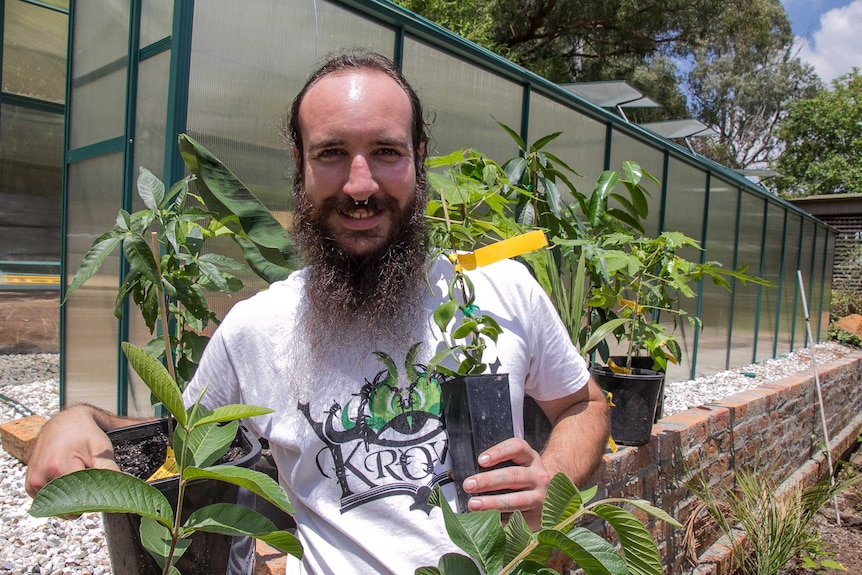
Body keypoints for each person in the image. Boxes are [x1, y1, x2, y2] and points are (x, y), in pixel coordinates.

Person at [26, 49, 609, 574]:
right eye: (332, 153)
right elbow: (181, 452)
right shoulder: (256, 331)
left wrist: (553, 477)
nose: (360, 184)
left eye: (385, 151)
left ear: (419, 159)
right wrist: (78, 419)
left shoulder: (500, 290)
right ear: (300, 165)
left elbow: (583, 403)